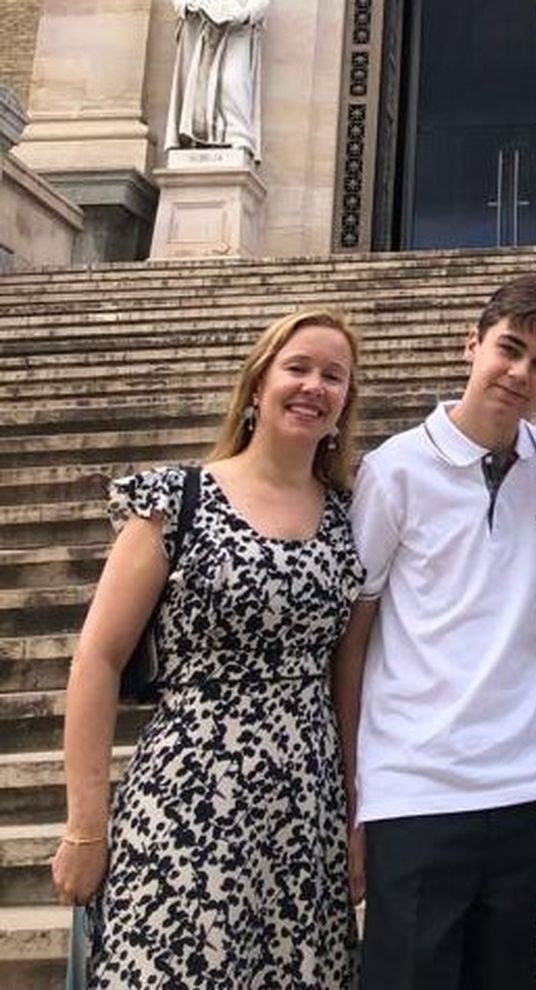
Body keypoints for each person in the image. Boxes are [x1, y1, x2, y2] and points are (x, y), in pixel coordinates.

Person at [51, 308, 365, 986]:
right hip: (186, 796)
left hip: (305, 811)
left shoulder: (349, 516)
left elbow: (349, 675)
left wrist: (354, 811)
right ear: (257, 385)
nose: (314, 386)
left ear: (344, 402)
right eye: (298, 368)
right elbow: (97, 660)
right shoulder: (176, 497)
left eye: (333, 376)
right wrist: (85, 825)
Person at [333, 274, 536, 990]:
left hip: (525, 784)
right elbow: (355, 633)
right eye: (510, 348)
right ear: (471, 344)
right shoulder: (394, 470)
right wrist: (355, 782)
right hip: (416, 789)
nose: (521, 372)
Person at [167, 0, 270, 160]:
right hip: (202, 25)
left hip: (238, 27)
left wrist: (247, 14)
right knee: (198, 86)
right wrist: (187, 6)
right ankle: (198, 137)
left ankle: (237, 135)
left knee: (234, 81)